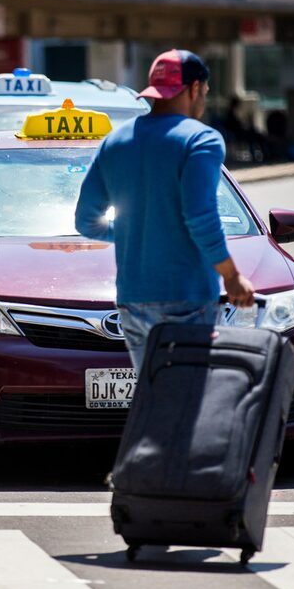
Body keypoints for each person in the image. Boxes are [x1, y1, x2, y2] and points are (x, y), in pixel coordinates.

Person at [75, 49, 255, 373]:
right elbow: (201, 217)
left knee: (155, 403)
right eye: (206, 92)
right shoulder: (202, 140)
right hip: (187, 299)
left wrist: (139, 232)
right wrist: (232, 275)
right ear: (195, 88)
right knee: (188, 406)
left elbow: (85, 220)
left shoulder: (114, 142)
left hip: (132, 301)